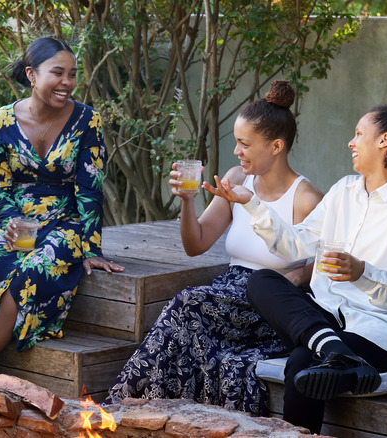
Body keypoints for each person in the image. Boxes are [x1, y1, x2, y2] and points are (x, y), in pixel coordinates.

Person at [208, 95, 387, 433]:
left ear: (384, 140)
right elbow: (294, 244)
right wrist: (252, 203)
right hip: (330, 320)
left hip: (382, 334)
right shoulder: (343, 191)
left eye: (359, 134)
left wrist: (363, 273)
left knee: (302, 362)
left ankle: (335, 356)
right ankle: (335, 351)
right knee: (261, 281)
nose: (351, 142)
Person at [0, 36, 124, 408]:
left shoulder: (87, 120)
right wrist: (11, 221)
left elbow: (90, 187)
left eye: (72, 74)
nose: (67, 82)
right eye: (57, 73)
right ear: (31, 74)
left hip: (66, 220)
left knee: (31, 272)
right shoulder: (0, 120)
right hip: (13, 217)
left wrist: (91, 247)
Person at [105, 81, 324, 415]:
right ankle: (152, 415)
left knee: (188, 304)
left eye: (244, 144)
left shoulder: (306, 198)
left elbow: (328, 258)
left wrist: (299, 276)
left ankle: (124, 410)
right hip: (226, 297)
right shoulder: (237, 179)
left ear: (276, 146)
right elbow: (197, 244)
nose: (236, 151)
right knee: (191, 333)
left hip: (269, 306)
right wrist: (187, 200)